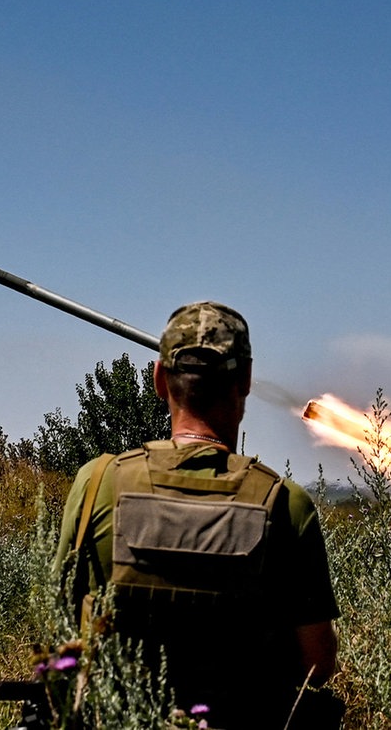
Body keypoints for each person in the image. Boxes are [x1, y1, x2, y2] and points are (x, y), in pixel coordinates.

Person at [55, 301, 339, 728]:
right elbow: (317, 664)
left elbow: (63, 615)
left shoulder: (98, 483)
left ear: (158, 379)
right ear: (244, 380)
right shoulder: (285, 504)